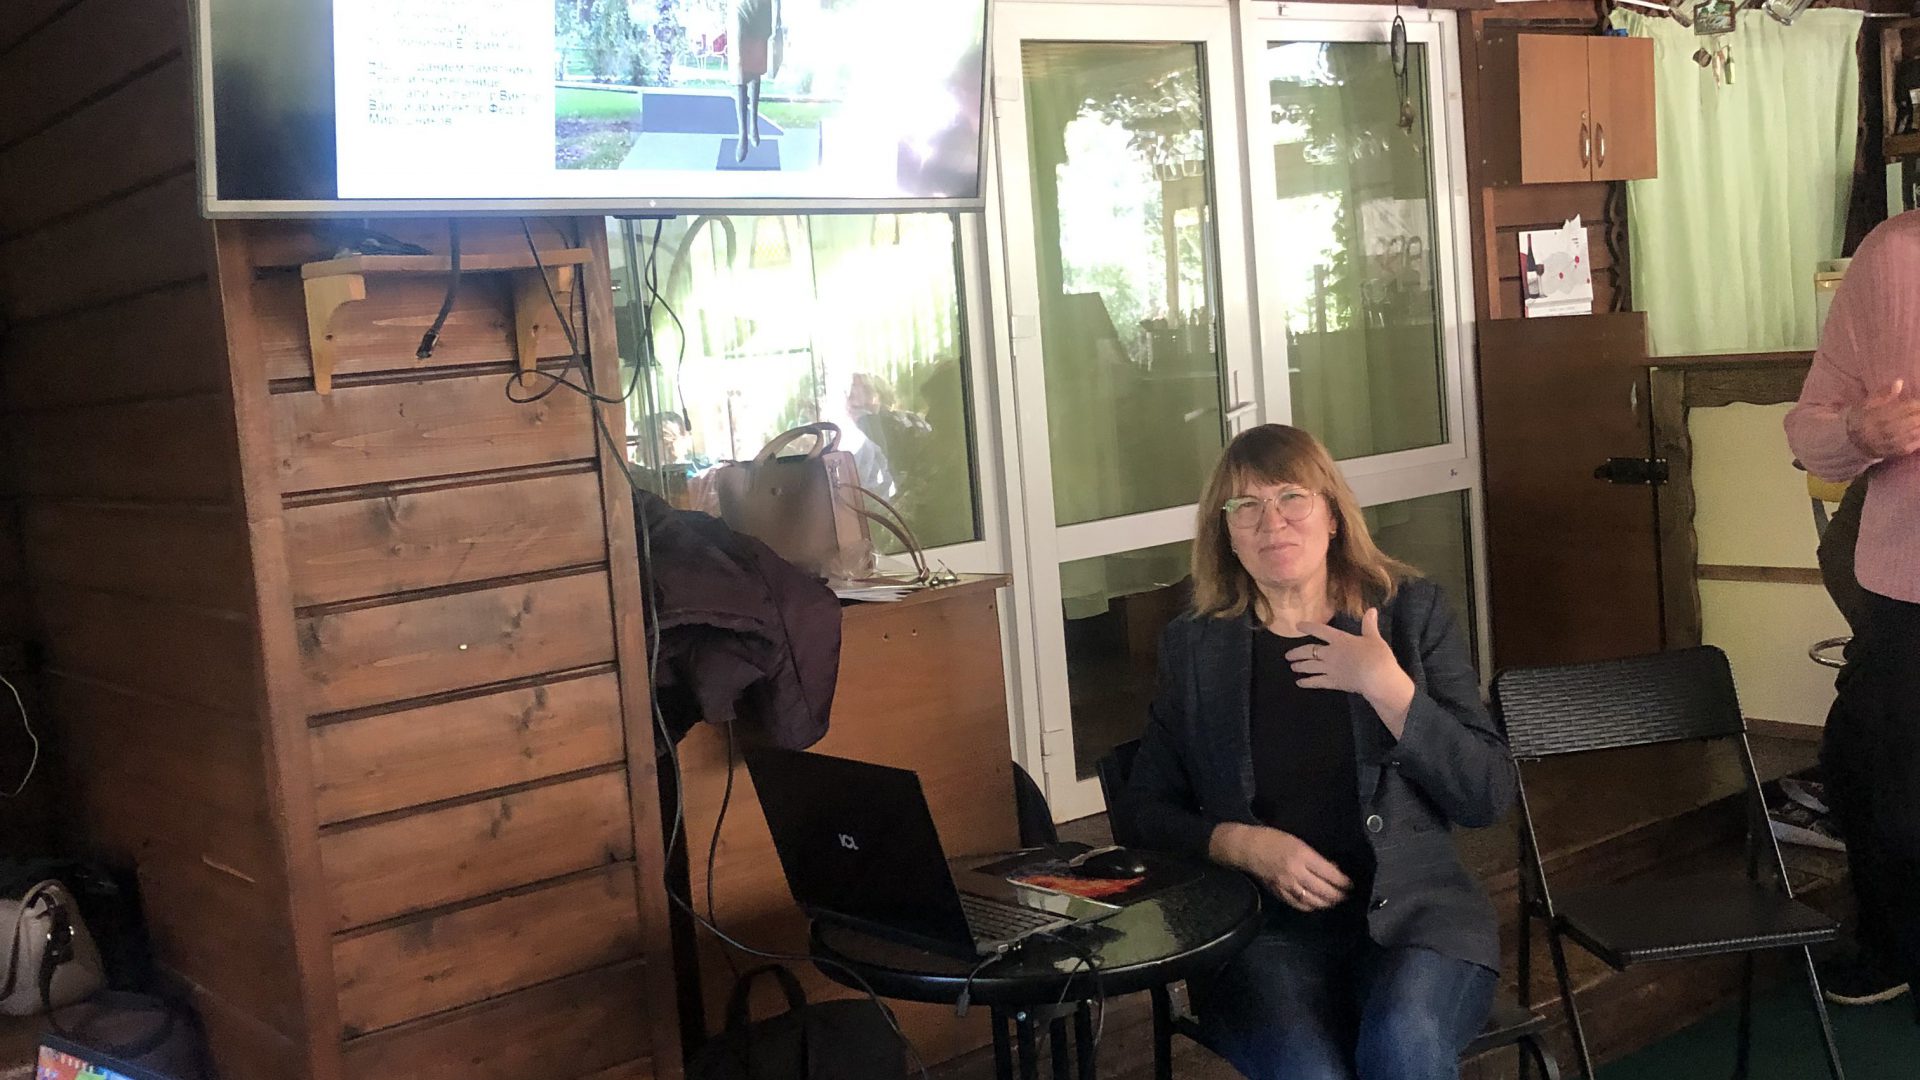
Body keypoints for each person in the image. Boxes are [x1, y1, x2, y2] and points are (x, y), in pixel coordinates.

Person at [1123, 424, 1513, 1080]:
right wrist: (1242, 846)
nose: (1271, 522)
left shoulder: (1410, 616)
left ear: (1332, 514)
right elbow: (1144, 811)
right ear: (1226, 533)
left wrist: (1389, 690)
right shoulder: (1195, 648)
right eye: (1246, 506)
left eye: (1291, 498)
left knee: (1403, 1045)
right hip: (1263, 933)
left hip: (1419, 920)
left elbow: (1487, 795)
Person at [1786, 211, 1920, 1012]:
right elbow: (1809, 430)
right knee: (1864, 770)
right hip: (1904, 591)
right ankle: (1891, 945)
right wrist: (1858, 431)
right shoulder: (1891, 254)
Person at [730, 0, 782, 163]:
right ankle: (742, 135)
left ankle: (753, 123)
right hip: (739, 8)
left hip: (761, 10)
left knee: (754, 67)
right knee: (739, 67)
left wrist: (777, 19)